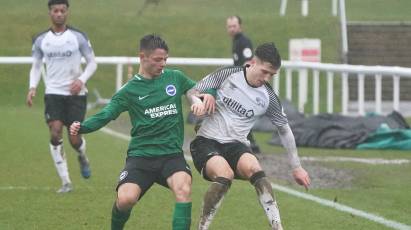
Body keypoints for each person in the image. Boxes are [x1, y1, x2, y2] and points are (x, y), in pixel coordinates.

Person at [70, 34, 210, 230]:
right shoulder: (128, 91)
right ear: (142, 57)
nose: (163, 64)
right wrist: (82, 127)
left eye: (165, 59)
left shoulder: (174, 77)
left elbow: (199, 89)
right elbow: (107, 114)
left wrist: (202, 99)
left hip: (171, 156)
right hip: (141, 157)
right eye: (157, 59)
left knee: (183, 189)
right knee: (126, 199)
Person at [190, 42, 311, 230]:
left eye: (272, 74)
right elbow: (193, 90)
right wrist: (199, 100)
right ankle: (202, 227)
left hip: (236, 145)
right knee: (225, 175)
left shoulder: (268, 97)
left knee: (257, 170)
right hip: (206, 141)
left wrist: (297, 167)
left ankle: (277, 227)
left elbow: (284, 129)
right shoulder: (228, 74)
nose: (267, 77)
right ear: (253, 62)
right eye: (264, 71)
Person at [26, 0, 97, 193]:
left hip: (76, 94)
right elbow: (36, 66)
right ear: (50, 13)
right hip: (53, 93)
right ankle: (66, 182)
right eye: (55, 10)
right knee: (55, 132)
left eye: (62, 10)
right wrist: (32, 87)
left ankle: (82, 155)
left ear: (67, 13)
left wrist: (81, 80)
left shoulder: (78, 37)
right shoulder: (42, 40)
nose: (59, 14)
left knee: (74, 139)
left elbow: (92, 63)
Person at [226, 15, 262, 154]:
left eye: (234, 26)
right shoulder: (236, 41)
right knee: (239, 111)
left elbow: (247, 62)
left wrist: (241, 82)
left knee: (240, 111)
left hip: (244, 83)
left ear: (240, 26)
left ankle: (249, 143)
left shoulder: (244, 41)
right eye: (229, 26)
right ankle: (250, 143)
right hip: (240, 82)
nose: (232, 29)